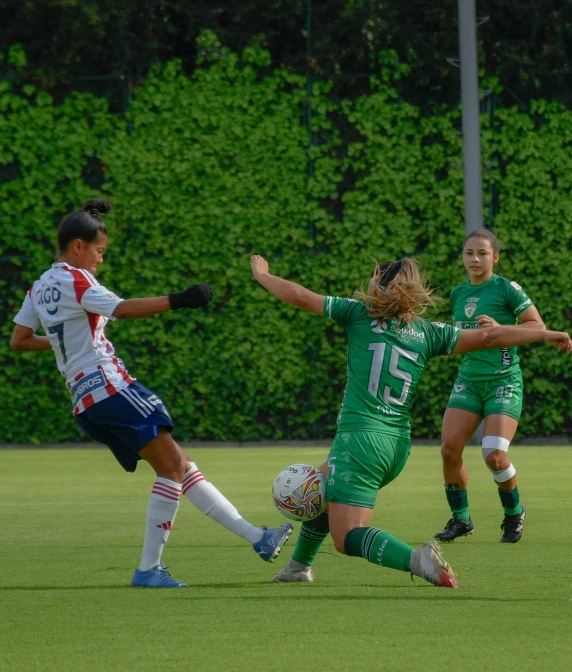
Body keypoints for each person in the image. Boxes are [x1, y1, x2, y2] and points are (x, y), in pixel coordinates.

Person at [10, 199, 292, 588]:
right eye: (98, 251)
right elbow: (122, 310)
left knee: (178, 464)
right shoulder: (77, 281)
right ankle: (148, 570)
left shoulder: (38, 287)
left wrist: (66, 344)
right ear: (78, 246)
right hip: (110, 385)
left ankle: (258, 538)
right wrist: (179, 300)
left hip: (84, 398)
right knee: (174, 468)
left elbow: (19, 341)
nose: (99, 261)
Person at [250, 254, 571, 587]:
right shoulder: (429, 332)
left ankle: (416, 560)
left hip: (361, 440)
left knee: (346, 537)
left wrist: (262, 275)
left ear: (378, 285)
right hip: (398, 445)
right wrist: (543, 334)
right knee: (325, 485)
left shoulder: (356, 313)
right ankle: (298, 567)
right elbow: (489, 338)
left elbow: (300, 296)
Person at [434, 229, 544, 544]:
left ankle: (514, 513)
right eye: (469, 253)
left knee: (494, 456)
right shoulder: (457, 293)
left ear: (495, 257)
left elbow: (537, 326)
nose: (475, 259)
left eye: (482, 253)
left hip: (503, 381)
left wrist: (501, 328)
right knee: (448, 450)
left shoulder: (506, 289)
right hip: (468, 382)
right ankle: (461, 520)